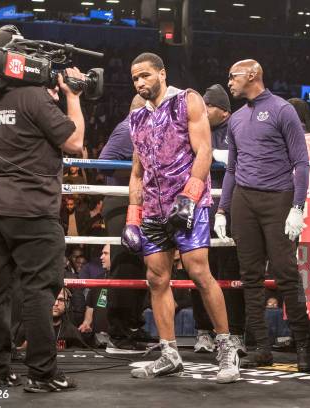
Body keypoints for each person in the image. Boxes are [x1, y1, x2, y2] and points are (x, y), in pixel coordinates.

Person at [0, 25, 82, 392]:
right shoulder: (34, 96)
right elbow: (75, 142)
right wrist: (73, 96)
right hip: (33, 211)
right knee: (38, 290)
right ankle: (42, 374)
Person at [122, 52, 240, 383]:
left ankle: (226, 349)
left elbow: (203, 151)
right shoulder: (137, 118)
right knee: (156, 278)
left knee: (200, 272)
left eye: (145, 75)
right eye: (135, 78)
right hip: (155, 209)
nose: (140, 82)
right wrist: (133, 216)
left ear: (162, 73)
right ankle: (169, 354)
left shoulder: (186, 100)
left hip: (189, 203)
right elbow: (136, 171)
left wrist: (189, 197)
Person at [214, 59, 310, 372]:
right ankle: (261, 347)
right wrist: (222, 209)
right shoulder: (236, 119)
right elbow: (231, 168)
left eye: (233, 76)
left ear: (253, 74)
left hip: (278, 199)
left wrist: (298, 206)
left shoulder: (283, 110)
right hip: (244, 200)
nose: (229, 82)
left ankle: (304, 349)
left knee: (286, 273)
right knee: (250, 277)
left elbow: (302, 162)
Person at [191, 84, 245, 355]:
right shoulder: (196, 128)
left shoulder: (237, 127)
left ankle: (235, 333)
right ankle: (203, 331)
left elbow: (243, 159)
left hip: (231, 211)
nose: (202, 110)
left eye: (208, 106)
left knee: (231, 273)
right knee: (199, 270)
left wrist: (213, 155)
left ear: (223, 110)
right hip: (201, 211)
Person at [98, 95, 150, 350]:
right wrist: (139, 173)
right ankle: (118, 333)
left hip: (140, 203)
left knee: (141, 266)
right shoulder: (127, 128)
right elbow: (104, 162)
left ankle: (133, 326)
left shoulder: (147, 129)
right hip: (121, 203)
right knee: (125, 264)